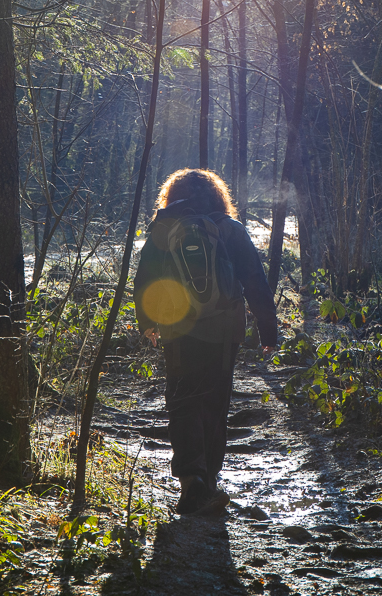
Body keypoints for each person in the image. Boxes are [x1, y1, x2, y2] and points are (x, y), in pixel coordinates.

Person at [133, 168, 278, 515]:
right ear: (218, 197)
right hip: (224, 331)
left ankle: (192, 482)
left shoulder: (164, 228)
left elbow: (145, 279)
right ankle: (209, 481)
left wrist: (147, 323)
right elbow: (255, 282)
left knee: (182, 400)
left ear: (172, 196)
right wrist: (268, 331)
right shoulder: (230, 229)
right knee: (215, 402)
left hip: (178, 329)